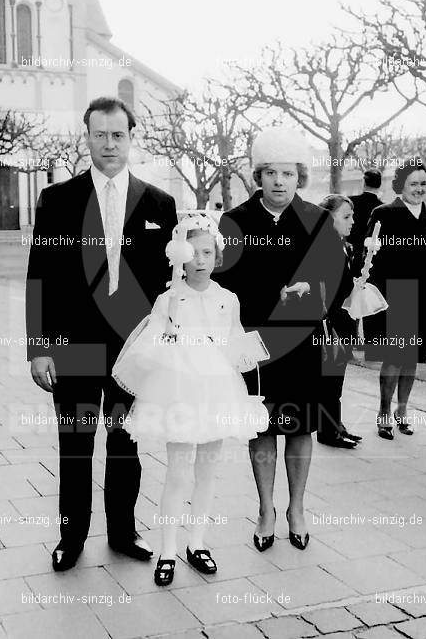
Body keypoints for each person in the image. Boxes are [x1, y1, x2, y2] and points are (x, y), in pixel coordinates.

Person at [26, 96, 177, 572]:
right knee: (74, 447)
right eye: (100, 135)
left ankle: (122, 532)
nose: (109, 144)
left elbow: (170, 287)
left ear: (131, 139)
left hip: (133, 349)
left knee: (125, 444)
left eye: (118, 135)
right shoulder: (58, 200)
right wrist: (39, 348)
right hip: (74, 347)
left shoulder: (160, 204)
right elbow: (40, 278)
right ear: (86, 136)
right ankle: (70, 538)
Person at [113, 214, 269, 585]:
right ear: (179, 256)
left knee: (207, 472)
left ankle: (196, 542)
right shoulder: (169, 298)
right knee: (178, 473)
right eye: (193, 253)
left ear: (218, 256)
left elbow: (232, 343)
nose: (200, 260)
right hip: (179, 392)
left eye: (207, 252)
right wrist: (163, 337)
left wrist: (248, 356)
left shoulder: (228, 299)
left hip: (216, 390)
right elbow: (150, 344)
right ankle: (167, 548)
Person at [217, 128, 345, 552]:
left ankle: (297, 508)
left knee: (300, 427)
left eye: (287, 173)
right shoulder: (234, 222)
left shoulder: (318, 220)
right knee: (263, 428)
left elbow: (336, 281)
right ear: (258, 175)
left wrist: (311, 294)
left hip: (304, 342)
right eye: (269, 172)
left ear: (300, 176)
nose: (278, 181)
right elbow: (223, 284)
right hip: (256, 343)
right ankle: (267, 508)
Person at [363, 159, 426, 440]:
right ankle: (384, 411)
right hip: (394, 292)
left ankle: (403, 409)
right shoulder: (384, 213)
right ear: (400, 185)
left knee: (412, 359)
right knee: (395, 358)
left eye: (423, 183)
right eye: (413, 184)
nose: (419, 189)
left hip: (422, 293)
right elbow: (371, 256)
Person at [317, 195, 362, 448]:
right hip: (331, 322)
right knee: (329, 381)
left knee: (337, 379)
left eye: (352, 216)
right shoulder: (324, 248)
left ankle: (336, 424)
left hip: (343, 320)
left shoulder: (343, 245)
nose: (352, 221)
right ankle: (327, 430)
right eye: (346, 216)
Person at [348, 169, 382, 268]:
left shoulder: (350, 202)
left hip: (352, 256)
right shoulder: (383, 208)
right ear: (380, 185)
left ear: (363, 182)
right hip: (374, 260)